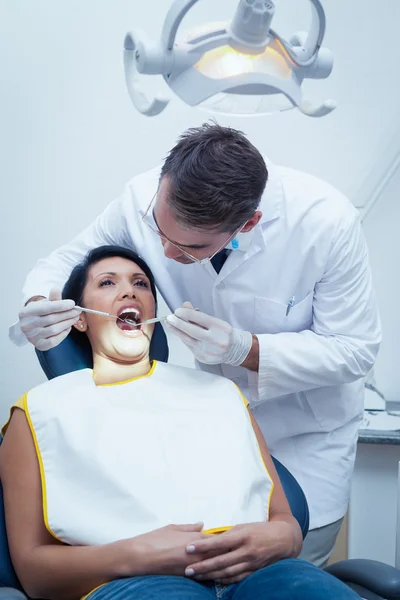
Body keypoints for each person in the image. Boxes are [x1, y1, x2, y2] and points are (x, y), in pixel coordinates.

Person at [10, 123, 381, 568]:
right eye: (158, 232)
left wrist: (245, 349)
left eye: (188, 249)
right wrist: (38, 301)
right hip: (195, 493)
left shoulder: (325, 223)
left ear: (248, 224)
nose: (164, 255)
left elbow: (355, 349)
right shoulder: (42, 412)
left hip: (305, 434)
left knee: (286, 572)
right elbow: (67, 262)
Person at [1, 245, 360, 600]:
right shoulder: (39, 411)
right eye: (107, 283)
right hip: (135, 580)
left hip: (262, 573)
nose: (129, 290)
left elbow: (284, 518)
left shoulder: (220, 393)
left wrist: (288, 536)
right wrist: (136, 556)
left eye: (141, 283)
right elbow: (33, 573)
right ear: (80, 317)